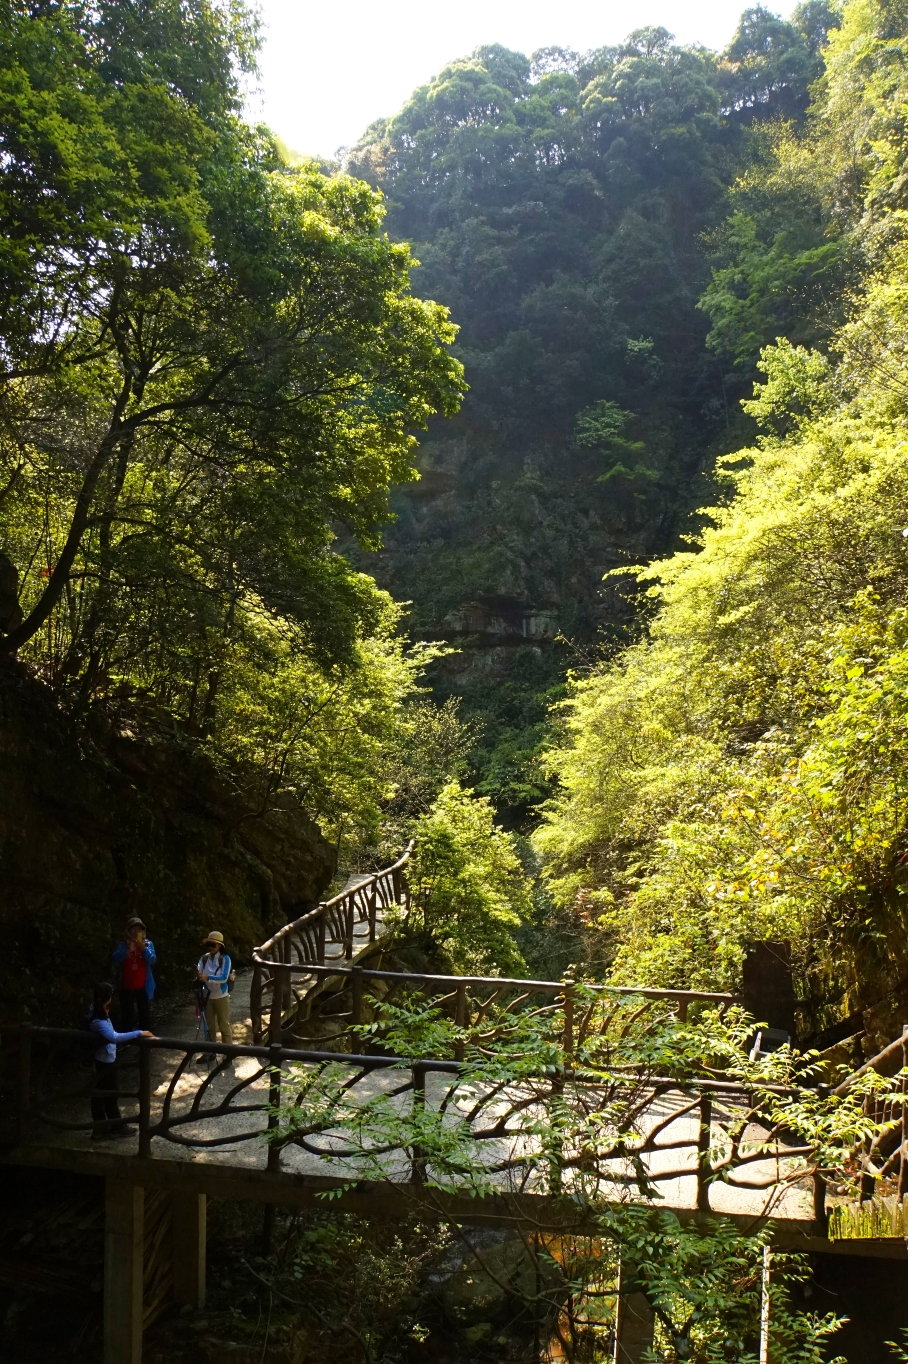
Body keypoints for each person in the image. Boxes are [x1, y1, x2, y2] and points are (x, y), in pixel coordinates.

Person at [87, 981, 153, 1140]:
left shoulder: (96, 1010)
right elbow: (114, 1037)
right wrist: (138, 1033)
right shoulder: (98, 1019)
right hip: (104, 1061)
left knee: (102, 1094)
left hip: (103, 1059)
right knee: (109, 1094)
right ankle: (115, 1126)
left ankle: (102, 1127)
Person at [111, 916, 157, 1030]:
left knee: (144, 1017)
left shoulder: (148, 944)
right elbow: (115, 958)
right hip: (126, 987)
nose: (136, 932)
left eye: (139, 929)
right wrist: (128, 950)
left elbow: (153, 959)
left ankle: (145, 1045)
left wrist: (143, 949)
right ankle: (126, 1041)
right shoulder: (123, 945)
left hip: (143, 987)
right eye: (134, 929)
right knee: (127, 1016)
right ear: (129, 931)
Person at [197, 932, 233, 1044]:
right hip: (207, 996)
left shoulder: (225, 959)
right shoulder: (204, 958)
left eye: (213, 944)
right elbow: (199, 973)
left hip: (221, 996)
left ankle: (228, 1054)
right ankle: (209, 1052)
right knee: (209, 1026)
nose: (210, 947)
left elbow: (224, 977)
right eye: (208, 944)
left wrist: (207, 977)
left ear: (219, 946)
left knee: (224, 1026)